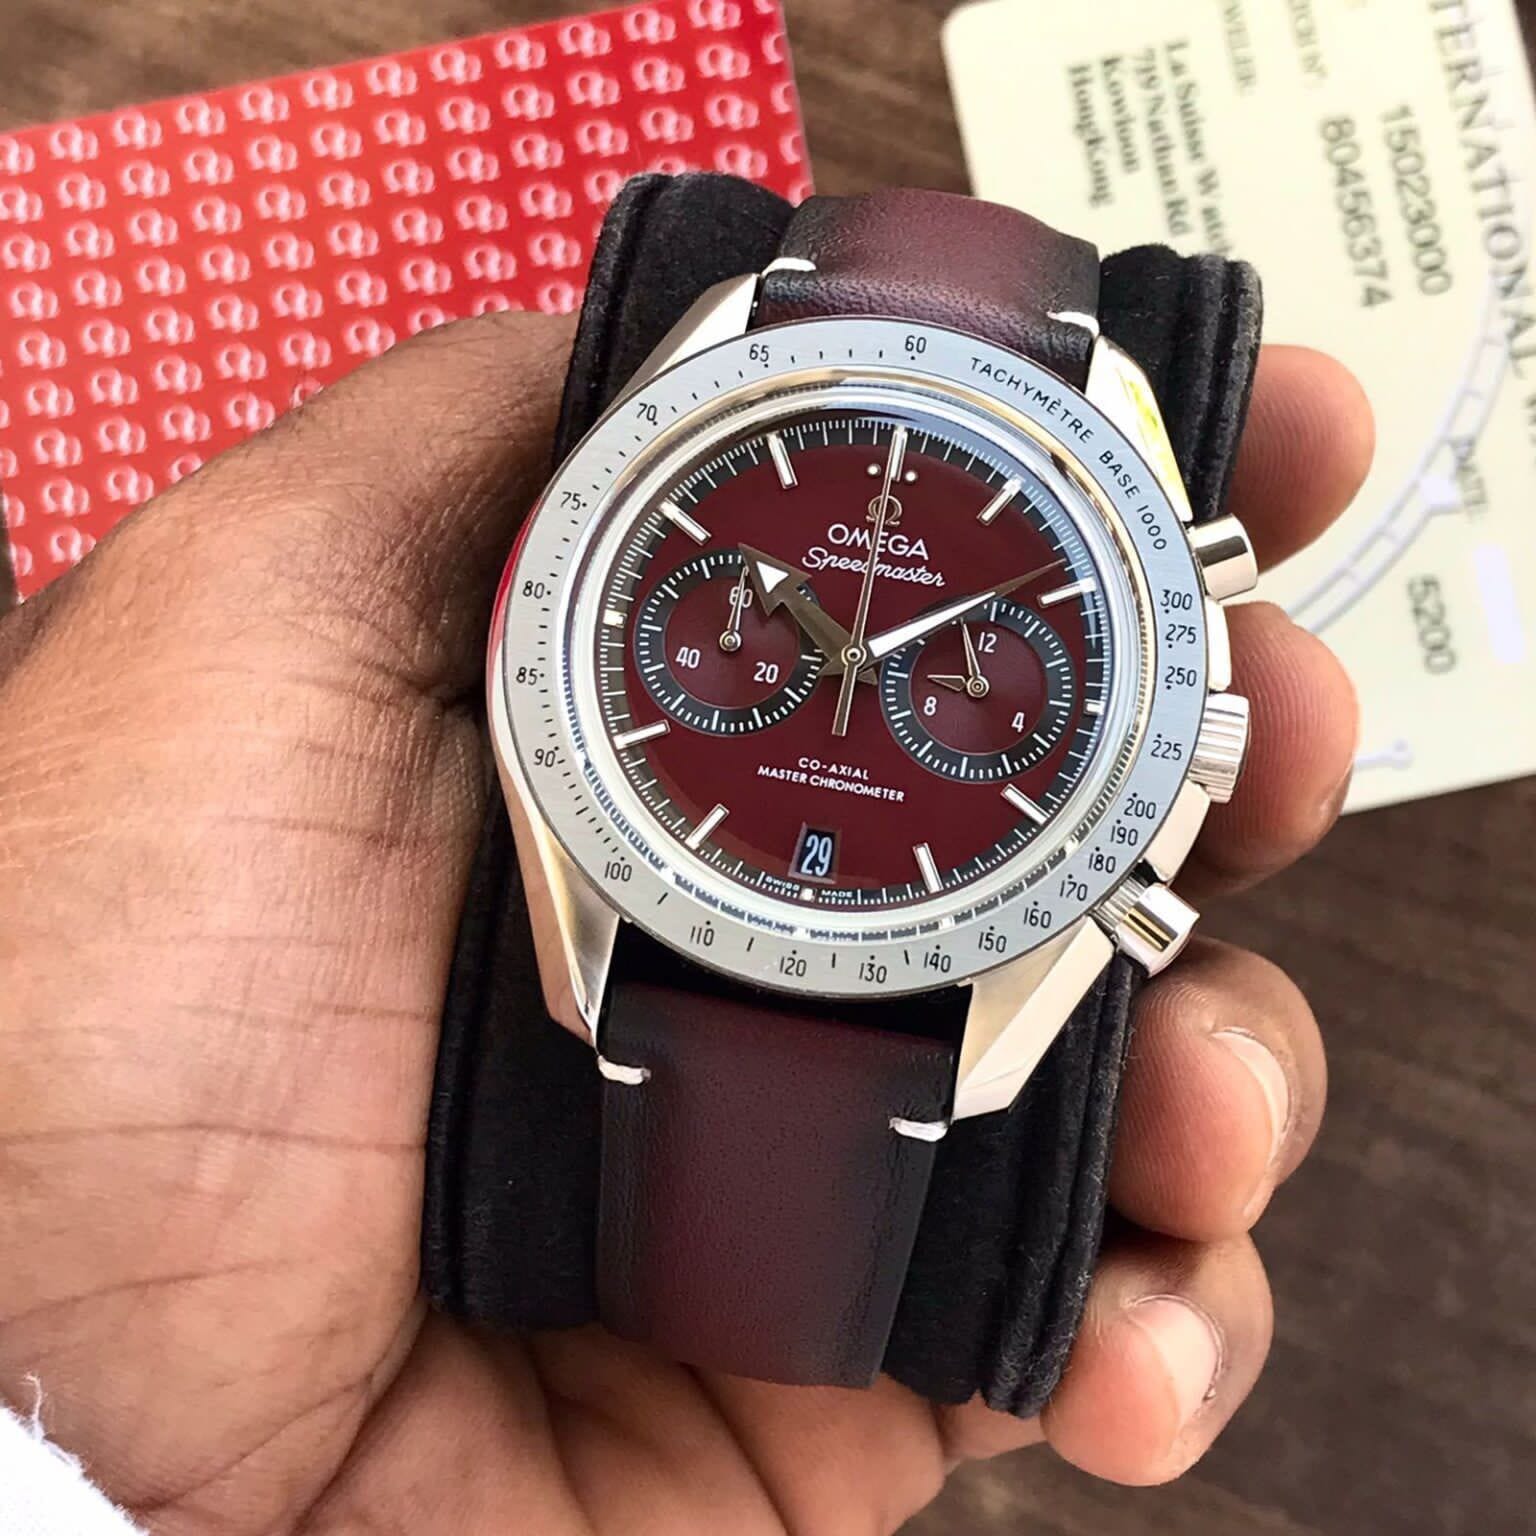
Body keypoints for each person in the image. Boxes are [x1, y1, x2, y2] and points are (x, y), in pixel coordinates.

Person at [0, 309, 1370, 1533]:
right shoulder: (738, 342)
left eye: (906, 665)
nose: (851, 669)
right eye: (824, 644)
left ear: (1190, 731)